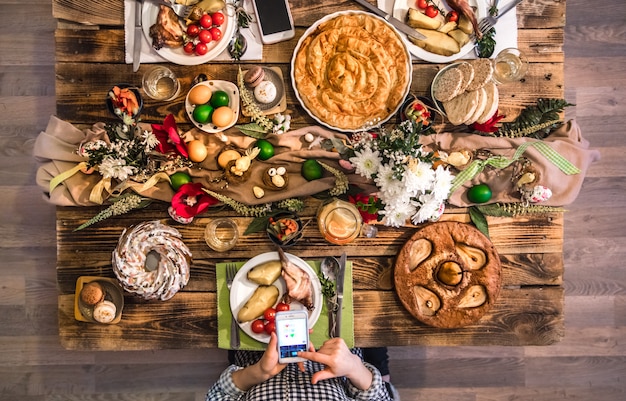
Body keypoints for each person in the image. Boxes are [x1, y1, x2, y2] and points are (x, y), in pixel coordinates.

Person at [207, 333, 395, 400]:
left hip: (254, 353)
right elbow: (380, 397)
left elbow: (218, 395)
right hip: (341, 350)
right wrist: (354, 367)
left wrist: (259, 372)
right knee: (376, 355)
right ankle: (383, 370)